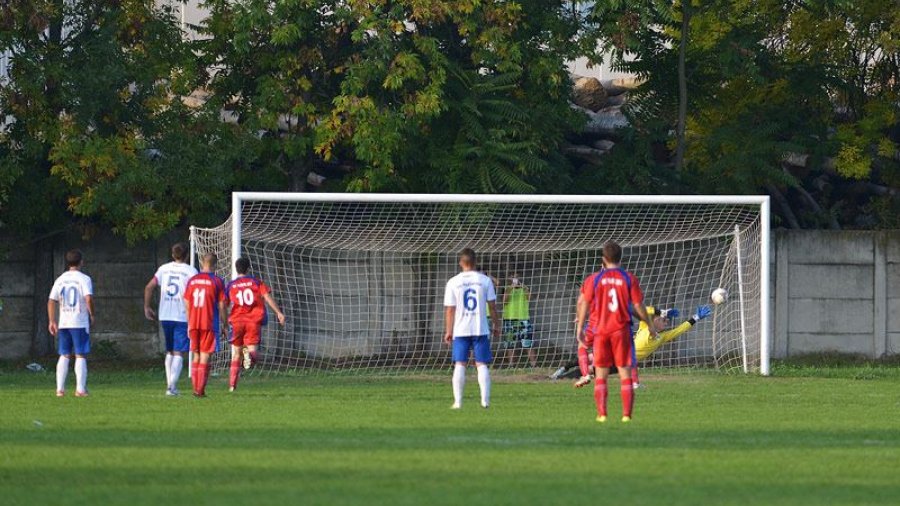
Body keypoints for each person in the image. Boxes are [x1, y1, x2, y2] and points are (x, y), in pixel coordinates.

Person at [575, 241, 655, 423]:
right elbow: (638, 306)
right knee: (625, 374)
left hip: (601, 331)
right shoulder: (629, 278)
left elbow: (584, 303)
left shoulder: (593, 279)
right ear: (621, 258)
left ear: (603, 259)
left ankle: (602, 415)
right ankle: (626, 416)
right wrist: (649, 323)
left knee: (600, 375)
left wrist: (580, 327)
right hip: (621, 331)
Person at [550, 305, 712, 383]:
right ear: (654, 321)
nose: (666, 322)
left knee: (593, 369)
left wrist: (695, 318)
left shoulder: (662, 337)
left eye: (667, 320)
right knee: (589, 357)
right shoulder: (645, 325)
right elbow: (646, 309)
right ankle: (561, 371)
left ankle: (562, 378)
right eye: (663, 320)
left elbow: (679, 330)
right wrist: (663, 311)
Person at [444, 248, 501, 409]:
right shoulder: (485, 280)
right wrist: (496, 325)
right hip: (480, 329)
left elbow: (450, 309)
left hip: (460, 330)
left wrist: (449, 330)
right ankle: (485, 401)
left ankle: (458, 402)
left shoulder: (453, 282)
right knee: (481, 364)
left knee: (460, 364)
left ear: (461, 263)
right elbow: (492, 306)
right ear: (475, 262)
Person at [143, 242, 198, 396]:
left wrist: (147, 307)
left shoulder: (163, 269)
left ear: (173, 255)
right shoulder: (191, 271)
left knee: (169, 351)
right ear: (187, 256)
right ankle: (171, 386)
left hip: (165, 314)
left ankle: (170, 385)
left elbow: (149, 287)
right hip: (182, 315)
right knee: (179, 352)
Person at [225, 257, 286, 392]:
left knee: (236, 354)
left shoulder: (231, 285)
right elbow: (267, 298)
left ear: (236, 269)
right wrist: (279, 313)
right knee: (253, 352)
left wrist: (224, 321)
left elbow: (225, 304)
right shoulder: (256, 282)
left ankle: (232, 386)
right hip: (252, 321)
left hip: (237, 321)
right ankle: (249, 356)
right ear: (248, 268)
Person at [47, 249, 94, 397]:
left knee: (64, 354)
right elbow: (88, 298)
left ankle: (60, 389)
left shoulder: (60, 279)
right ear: (81, 262)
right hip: (79, 321)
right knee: (80, 355)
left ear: (68, 263)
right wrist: (92, 314)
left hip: (64, 322)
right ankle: (80, 389)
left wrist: (52, 320)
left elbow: (51, 300)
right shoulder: (84, 279)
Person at [183, 253, 226, 397]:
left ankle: (196, 389)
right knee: (205, 356)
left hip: (194, 323)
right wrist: (225, 324)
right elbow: (222, 306)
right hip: (208, 323)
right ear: (215, 265)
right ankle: (199, 390)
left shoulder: (192, 280)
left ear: (202, 263)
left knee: (196, 355)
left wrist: (189, 322)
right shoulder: (217, 281)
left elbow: (187, 303)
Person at [500, 273, 536, 368]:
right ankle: (511, 365)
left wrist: (523, 286)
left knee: (528, 343)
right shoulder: (507, 289)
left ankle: (534, 365)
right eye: (513, 277)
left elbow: (530, 298)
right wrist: (511, 287)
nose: (515, 279)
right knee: (509, 344)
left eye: (516, 277)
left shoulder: (524, 288)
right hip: (509, 319)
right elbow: (504, 301)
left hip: (523, 319)